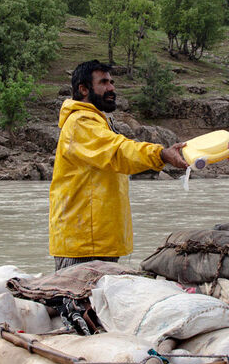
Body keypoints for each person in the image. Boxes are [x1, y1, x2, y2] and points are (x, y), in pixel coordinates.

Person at [48, 60, 187, 270]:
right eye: (103, 82)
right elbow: (119, 152)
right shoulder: (80, 123)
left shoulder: (96, 122)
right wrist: (161, 154)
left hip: (98, 241)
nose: (111, 88)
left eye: (112, 82)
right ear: (83, 89)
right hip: (84, 246)